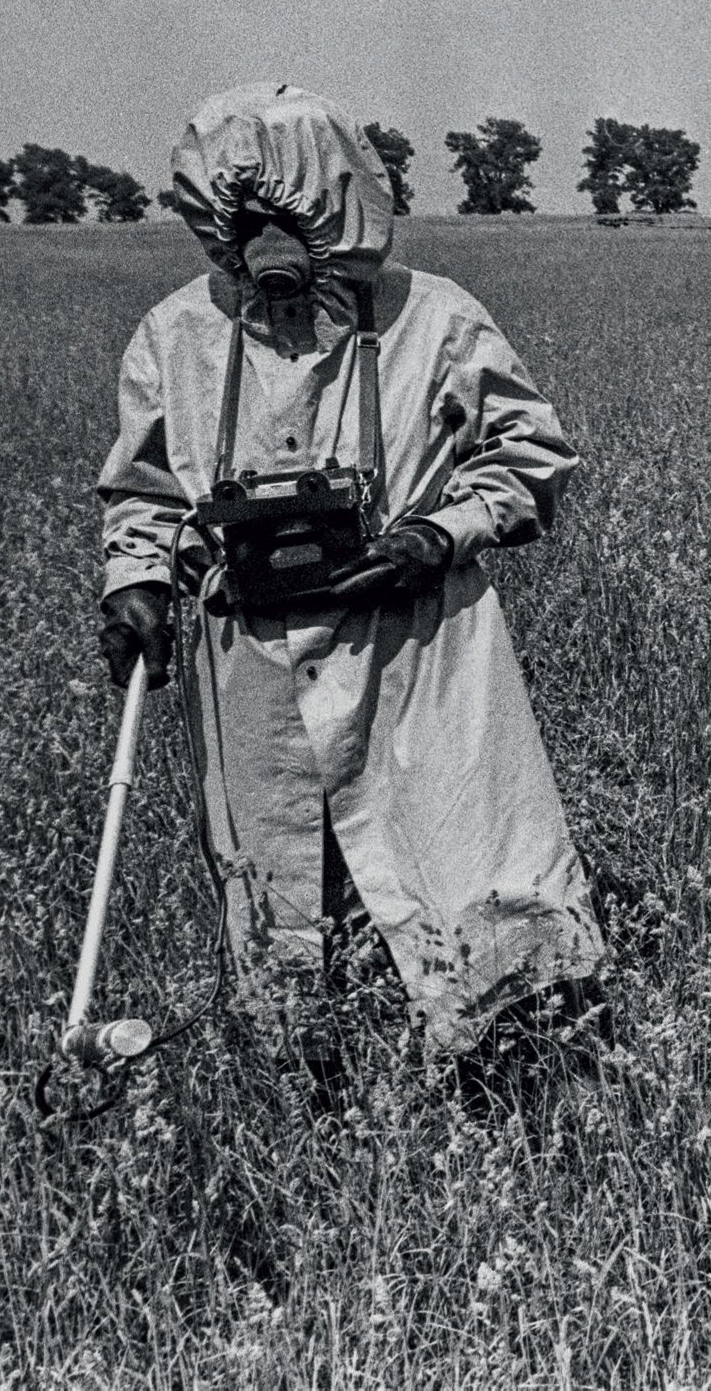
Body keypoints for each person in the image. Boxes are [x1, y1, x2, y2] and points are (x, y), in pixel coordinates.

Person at [96, 82, 604, 1090]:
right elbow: (144, 493)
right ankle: (315, 1085)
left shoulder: (434, 320)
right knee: (283, 894)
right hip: (249, 662)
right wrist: (138, 582)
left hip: (416, 644)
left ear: (339, 214)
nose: (272, 258)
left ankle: (512, 1076)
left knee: (469, 866)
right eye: (247, 233)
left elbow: (530, 453)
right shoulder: (177, 337)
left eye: (292, 226)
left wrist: (434, 531)